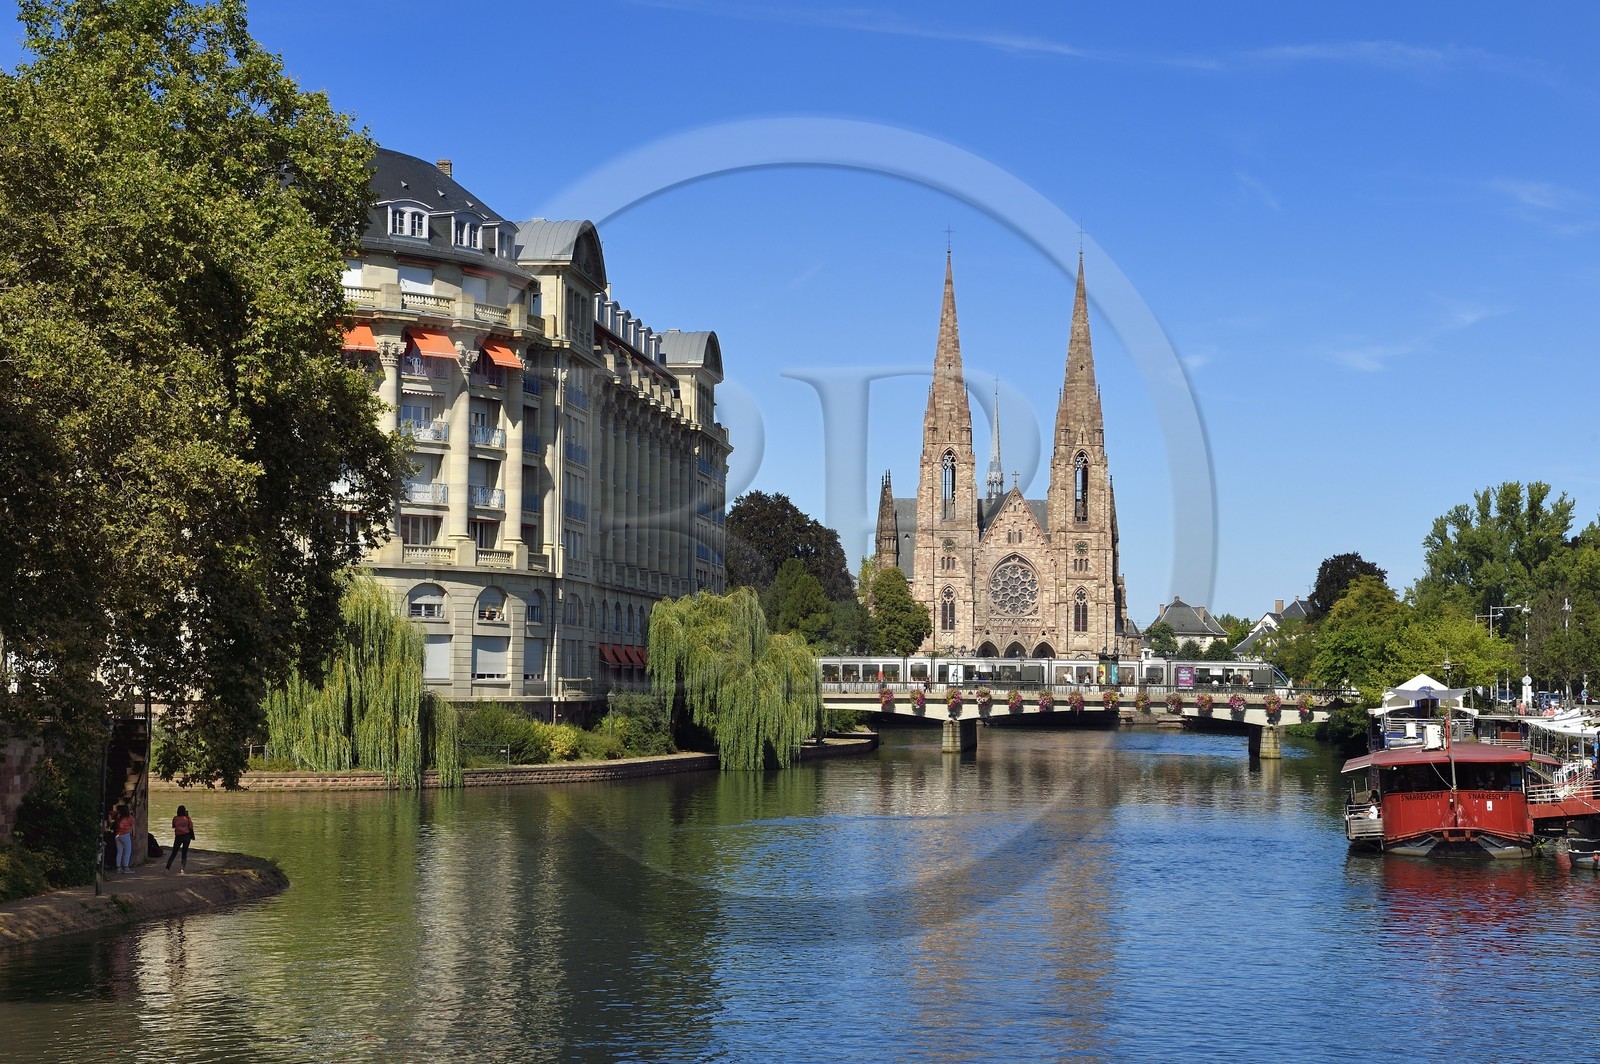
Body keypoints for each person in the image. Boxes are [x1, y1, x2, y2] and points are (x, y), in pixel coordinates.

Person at [167, 805, 195, 874]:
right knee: (184, 853)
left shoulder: (175, 818)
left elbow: (173, 826)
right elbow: (191, 827)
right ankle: (182, 869)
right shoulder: (187, 818)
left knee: (174, 853)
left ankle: (167, 868)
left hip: (178, 837)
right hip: (186, 836)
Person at [112, 805, 134, 873]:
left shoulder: (118, 817)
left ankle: (118, 868)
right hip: (125, 835)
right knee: (127, 851)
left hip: (117, 835)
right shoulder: (128, 818)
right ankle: (126, 868)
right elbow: (133, 825)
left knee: (119, 852)